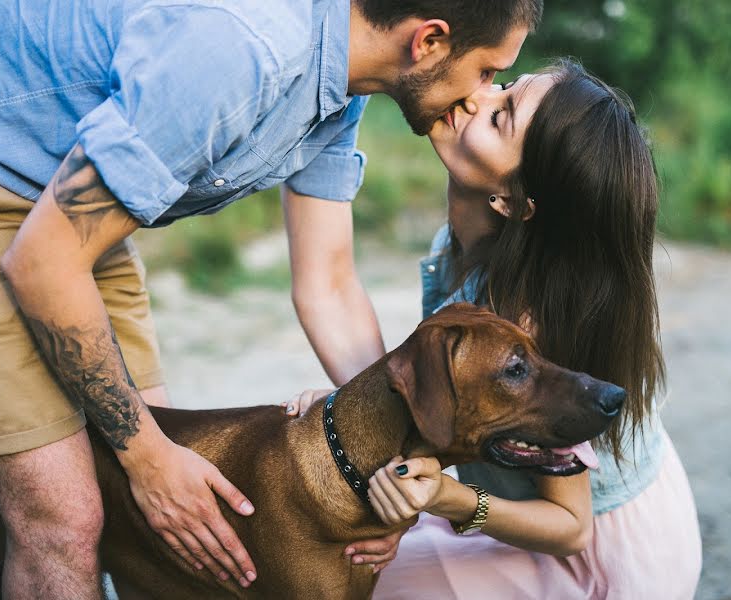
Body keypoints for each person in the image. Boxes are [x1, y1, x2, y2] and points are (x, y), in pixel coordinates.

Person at [0, 0, 543, 596]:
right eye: (486, 71)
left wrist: (389, 468)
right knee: (66, 519)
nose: (482, 96)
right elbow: (42, 263)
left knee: (168, 523)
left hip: (76, 214)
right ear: (428, 41)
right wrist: (148, 457)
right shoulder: (244, 49)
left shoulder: (344, 86)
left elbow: (329, 286)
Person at [288, 59, 702, 598]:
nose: (475, 97)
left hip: (599, 555)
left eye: (501, 116)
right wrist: (364, 400)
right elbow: (332, 287)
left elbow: (571, 527)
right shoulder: (464, 251)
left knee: (355, 578)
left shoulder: (527, 323)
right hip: (528, 515)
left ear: (511, 201)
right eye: (504, 85)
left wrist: (445, 499)